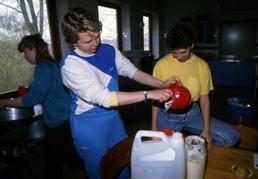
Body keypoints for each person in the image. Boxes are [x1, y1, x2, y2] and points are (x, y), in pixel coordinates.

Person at [60, 7, 177, 179]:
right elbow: (105, 98)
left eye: (97, 35)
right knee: (100, 172)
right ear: (73, 42)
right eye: (88, 41)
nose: (96, 43)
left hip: (113, 118)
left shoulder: (108, 50)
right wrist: (148, 94)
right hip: (89, 125)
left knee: (123, 166)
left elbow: (133, 72)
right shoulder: (71, 66)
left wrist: (162, 83)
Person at [0, 34, 77, 179]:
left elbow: (32, 99)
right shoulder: (50, 64)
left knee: (61, 161)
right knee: (59, 160)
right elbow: (41, 91)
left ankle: (105, 170)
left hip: (59, 123)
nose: (24, 56)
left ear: (33, 49)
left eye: (25, 51)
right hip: (63, 119)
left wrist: (3, 102)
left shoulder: (43, 68)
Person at [151, 23, 240, 150]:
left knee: (231, 137)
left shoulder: (202, 66)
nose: (178, 57)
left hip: (193, 113)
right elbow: (155, 99)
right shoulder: (161, 65)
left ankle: (196, 153)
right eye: (174, 53)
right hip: (167, 114)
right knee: (162, 150)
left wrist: (206, 129)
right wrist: (154, 126)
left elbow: (204, 98)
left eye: (182, 52)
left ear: (192, 44)